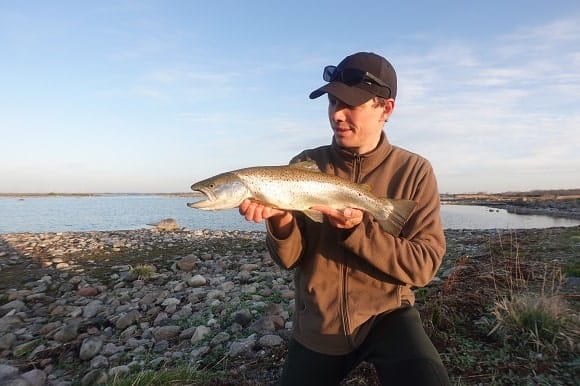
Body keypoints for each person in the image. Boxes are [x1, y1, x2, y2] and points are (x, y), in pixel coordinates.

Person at [239, 52, 450, 386]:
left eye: (351, 104)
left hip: (388, 317)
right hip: (319, 325)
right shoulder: (305, 163)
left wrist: (358, 231)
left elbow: (423, 267)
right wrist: (280, 221)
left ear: (386, 109)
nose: (337, 114)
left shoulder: (415, 171)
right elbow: (290, 259)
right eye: (333, 101)